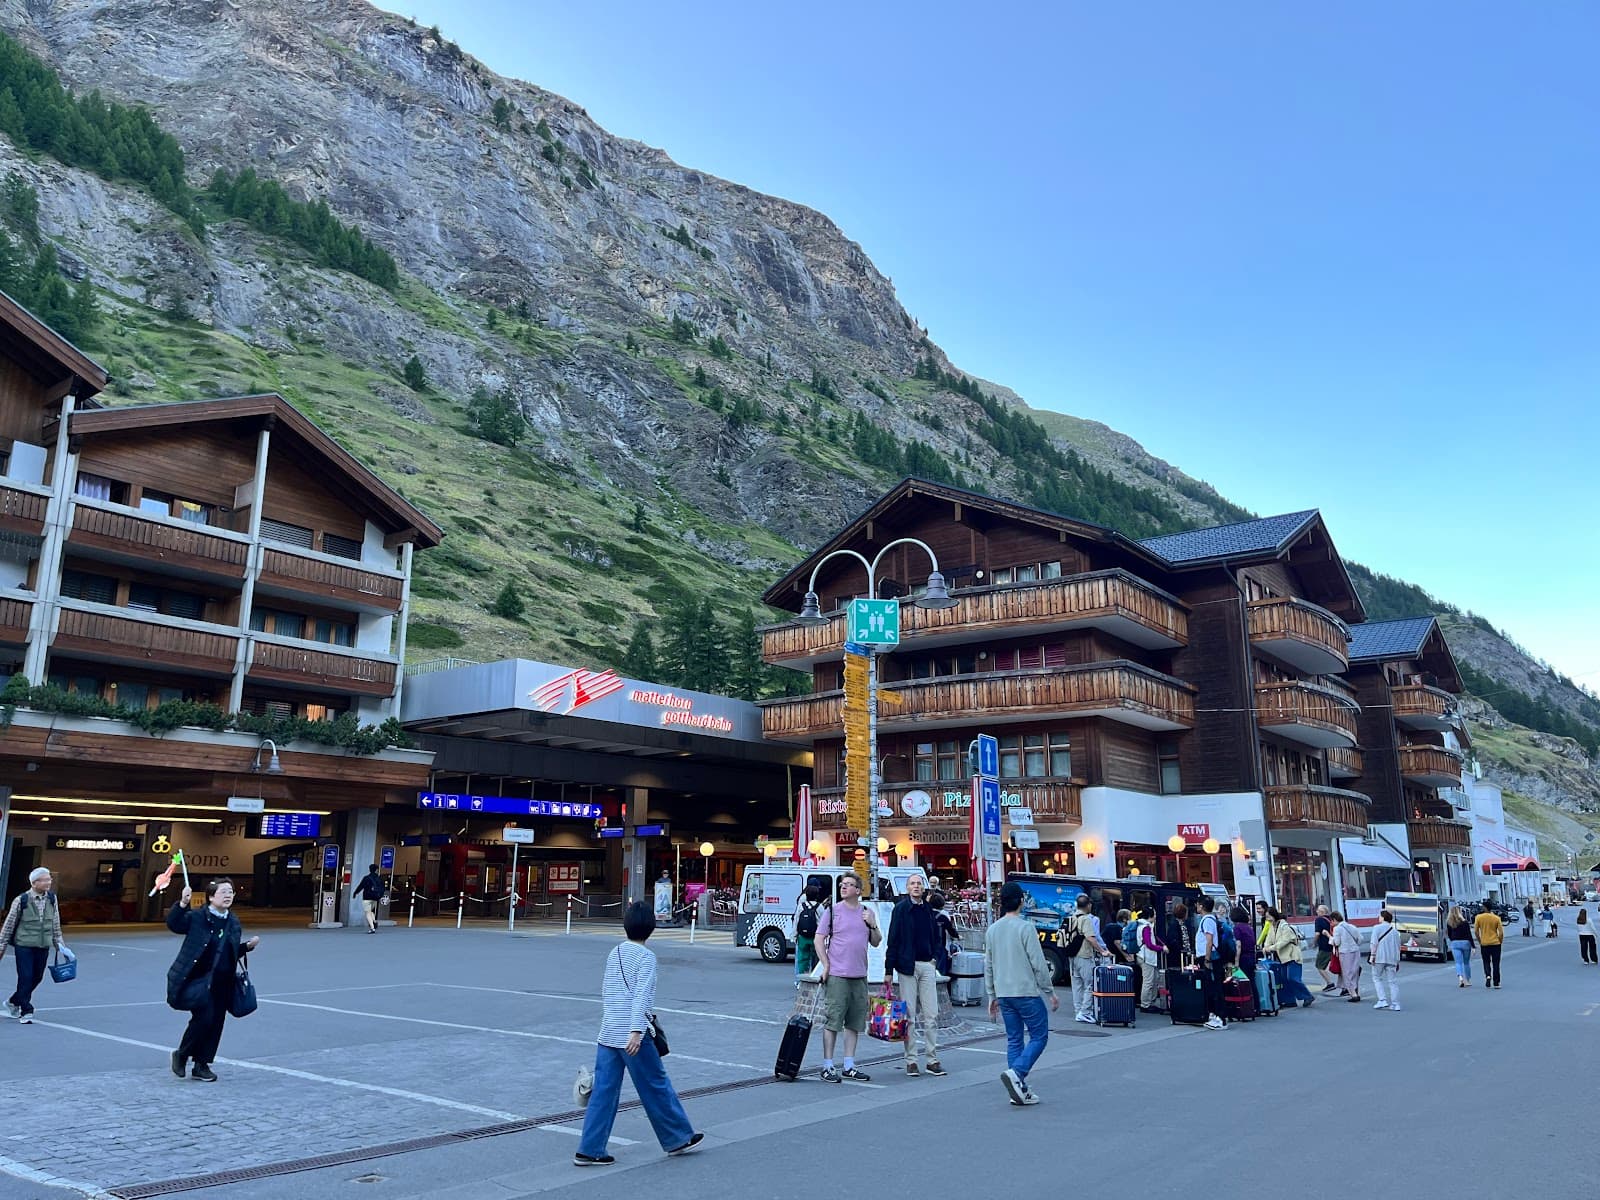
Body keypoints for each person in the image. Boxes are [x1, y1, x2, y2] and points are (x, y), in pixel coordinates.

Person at [574, 901, 703, 1166]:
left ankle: (589, 1148)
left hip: (608, 1031)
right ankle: (678, 1137)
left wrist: (613, 1023)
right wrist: (635, 1030)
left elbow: (608, 992)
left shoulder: (615, 953)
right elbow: (642, 996)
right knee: (655, 1083)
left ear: (626, 925)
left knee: (604, 1092)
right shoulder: (646, 957)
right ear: (651, 927)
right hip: (632, 1034)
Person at [166, 878, 260, 1081]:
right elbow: (175, 924)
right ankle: (182, 1054)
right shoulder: (198, 917)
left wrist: (246, 947)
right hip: (198, 979)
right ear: (210, 896)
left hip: (223, 981)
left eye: (231, 892)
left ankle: (201, 1064)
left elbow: (229, 950)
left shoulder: (233, 921)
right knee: (205, 1017)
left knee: (216, 1022)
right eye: (223, 892)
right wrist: (182, 904)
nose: (228, 896)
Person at [985, 881, 1059, 1106]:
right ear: (1020, 901)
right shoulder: (1025, 927)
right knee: (1039, 1035)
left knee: (1014, 1039)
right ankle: (1017, 1074)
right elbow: (1038, 962)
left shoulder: (993, 929)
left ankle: (1018, 1089)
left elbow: (988, 964)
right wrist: (1050, 991)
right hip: (1025, 990)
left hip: (1004, 992)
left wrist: (991, 995)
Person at [814, 873, 881, 1082]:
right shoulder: (832, 911)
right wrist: (825, 965)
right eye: (842, 885)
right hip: (837, 975)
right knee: (833, 1020)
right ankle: (827, 1065)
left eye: (850, 885)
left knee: (854, 1022)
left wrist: (872, 925)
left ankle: (849, 1064)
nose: (844, 888)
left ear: (859, 891)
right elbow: (819, 939)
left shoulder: (866, 912)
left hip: (859, 975)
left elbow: (877, 941)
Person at [885, 873, 945, 1078]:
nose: (916, 887)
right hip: (906, 966)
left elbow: (937, 937)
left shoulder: (928, 910)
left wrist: (934, 959)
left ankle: (932, 1058)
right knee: (909, 1015)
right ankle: (911, 1060)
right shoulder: (901, 910)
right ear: (907, 888)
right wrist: (888, 970)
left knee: (932, 1014)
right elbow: (892, 939)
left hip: (927, 964)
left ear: (924, 887)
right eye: (913, 884)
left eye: (919, 883)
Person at [1, 867, 65, 1024]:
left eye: (50, 879)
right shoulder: (21, 900)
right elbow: (9, 925)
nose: (49, 882)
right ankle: (26, 1010)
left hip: (43, 945)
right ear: (35, 883)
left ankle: (13, 1001)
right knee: (26, 977)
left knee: (37, 977)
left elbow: (55, 922)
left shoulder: (52, 898)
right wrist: (1, 946)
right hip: (24, 945)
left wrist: (60, 944)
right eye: (45, 879)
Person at [1066, 893, 1110, 1024]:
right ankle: (1084, 1012)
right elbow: (1091, 938)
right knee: (1090, 984)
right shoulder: (1086, 919)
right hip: (1084, 955)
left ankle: (1078, 1010)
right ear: (1088, 905)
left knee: (1077, 985)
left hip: (1072, 955)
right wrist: (1102, 951)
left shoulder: (1071, 917)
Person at [1265, 906, 1314, 1007]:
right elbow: (1268, 939)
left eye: (1269, 916)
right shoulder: (1272, 927)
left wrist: (1271, 948)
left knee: (1293, 978)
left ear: (1274, 916)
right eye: (1266, 917)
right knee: (1284, 979)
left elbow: (1284, 941)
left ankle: (1307, 996)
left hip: (1292, 955)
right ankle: (1290, 1000)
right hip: (1282, 957)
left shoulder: (1284, 926)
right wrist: (1266, 946)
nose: (1267, 919)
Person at [1193, 897, 1228, 1029]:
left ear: (1201, 906)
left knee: (1214, 986)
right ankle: (1214, 1015)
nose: (1196, 906)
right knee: (1211, 986)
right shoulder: (1210, 919)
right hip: (1211, 956)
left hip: (1210, 957)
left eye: (1198, 904)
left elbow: (1209, 940)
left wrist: (1207, 959)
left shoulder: (1207, 920)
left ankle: (1220, 1018)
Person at [1368, 908, 1401, 1011]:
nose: (1378, 918)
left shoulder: (1376, 928)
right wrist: (1397, 961)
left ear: (1383, 917)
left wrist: (1372, 956)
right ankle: (1396, 1004)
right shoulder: (1395, 931)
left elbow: (1374, 943)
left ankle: (1382, 1000)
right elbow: (1398, 947)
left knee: (1377, 978)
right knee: (1392, 982)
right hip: (1392, 959)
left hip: (1379, 957)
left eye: (1380, 916)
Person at [794, 882, 824, 981]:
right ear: (817, 895)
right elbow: (823, 923)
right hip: (815, 937)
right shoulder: (819, 907)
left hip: (802, 936)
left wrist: (795, 935)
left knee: (802, 959)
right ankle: (814, 978)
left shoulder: (801, 906)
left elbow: (796, 921)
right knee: (816, 958)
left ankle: (801, 980)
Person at [1329, 912, 1362, 1002]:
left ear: (1334, 920)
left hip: (1345, 952)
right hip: (1355, 951)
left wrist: (1329, 937)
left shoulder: (1337, 929)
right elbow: (1360, 939)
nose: (1331, 924)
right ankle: (1356, 991)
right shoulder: (1352, 926)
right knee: (1355, 971)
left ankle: (1353, 994)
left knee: (1347, 973)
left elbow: (1337, 942)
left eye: (1331, 921)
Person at [1136, 910, 1163, 1011]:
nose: (1155, 917)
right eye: (1154, 915)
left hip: (1144, 956)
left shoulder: (1142, 925)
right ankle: (1145, 1004)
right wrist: (1161, 948)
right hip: (1146, 957)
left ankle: (1150, 1001)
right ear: (1150, 916)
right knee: (1148, 981)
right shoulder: (1146, 927)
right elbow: (1149, 944)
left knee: (1153, 979)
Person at [1474, 902, 1504, 988]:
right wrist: (1500, 940)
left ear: (1485, 908)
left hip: (1484, 943)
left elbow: (1476, 931)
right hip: (1495, 943)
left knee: (1486, 961)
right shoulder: (1496, 918)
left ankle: (1488, 976)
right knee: (1496, 963)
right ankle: (1496, 982)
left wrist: (1480, 940)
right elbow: (1501, 932)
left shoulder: (1479, 917)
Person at [1445, 905, 1475, 986]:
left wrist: (1453, 941)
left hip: (1455, 943)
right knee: (1466, 963)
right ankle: (1468, 980)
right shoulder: (1465, 922)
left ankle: (1460, 978)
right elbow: (1469, 935)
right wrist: (1473, 946)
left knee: (1458, 963)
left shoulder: (1449, 923)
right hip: (1466, 943)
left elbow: (1449, 934)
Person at [1313, 904, 1338, 992]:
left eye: (1318, 910)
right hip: (1333, 945)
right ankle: (1344, 985)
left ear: (1322, 912)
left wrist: (1314, 943)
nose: (1316, 912)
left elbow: (1317, 933)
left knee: (1319, 965)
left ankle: (1329, 983)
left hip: (1324, 947)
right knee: (1338, 965)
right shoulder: (1330, 919)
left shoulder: (1319, 920)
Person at [355, 864, 386, 934]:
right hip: (375, 898)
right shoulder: (379, 878)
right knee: (371, 911)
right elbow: (383, 888)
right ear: (376, 870)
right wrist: (380, 895)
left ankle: (372, 928)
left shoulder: (366, 878)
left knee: (367, 912)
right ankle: (374, 921)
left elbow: (361, 886)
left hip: (367, 897)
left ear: (370, 869)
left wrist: (355, 893)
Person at [1231, 905, 1258, 976]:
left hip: (1243, 958)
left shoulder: (1237, 928)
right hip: (1251, 957)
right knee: (1251, 980)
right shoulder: (1249, 928)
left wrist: (1236, 962)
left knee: (1242, 981)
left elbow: (1238, 945)